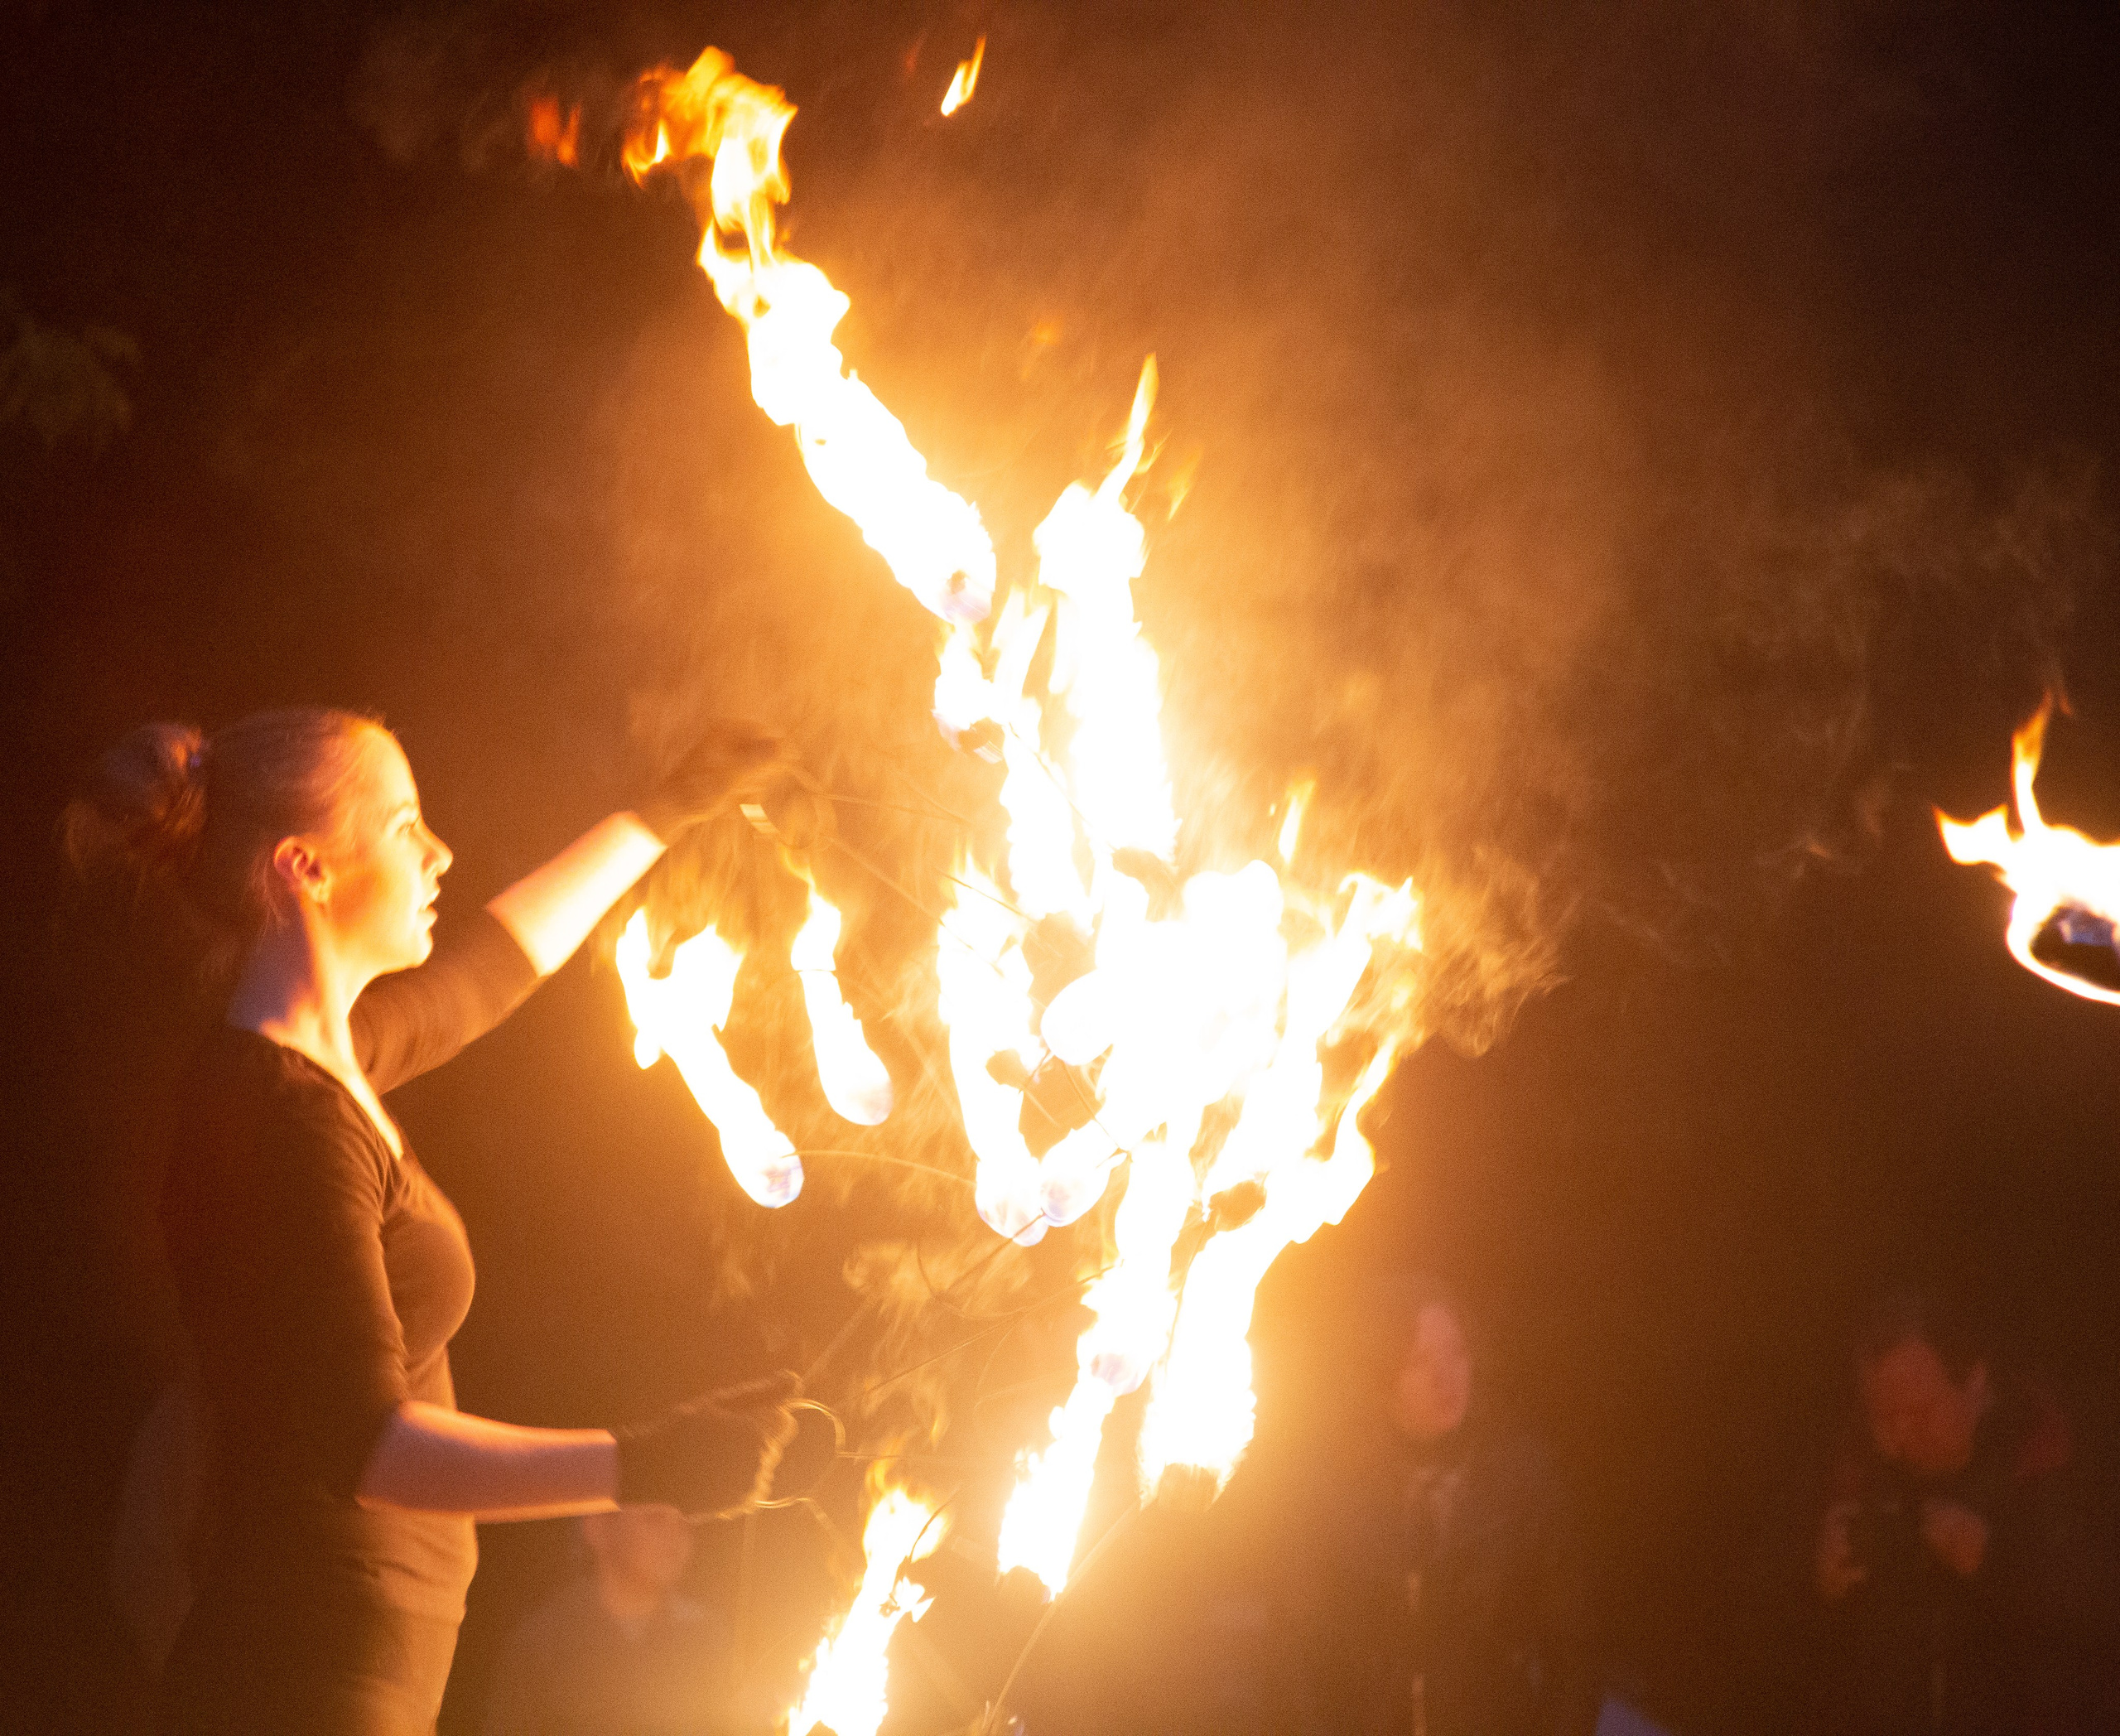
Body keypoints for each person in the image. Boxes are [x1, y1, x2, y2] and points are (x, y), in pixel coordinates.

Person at [65, 707, 805, 1736]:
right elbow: (372, 1444)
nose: (440, 850)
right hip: (307, 1670)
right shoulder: (280, 1124)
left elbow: (490, 967)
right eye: (405, 824)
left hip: (353, 1656)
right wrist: (644, 1461)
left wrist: (663, 810)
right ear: (304, 868)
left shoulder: (333, 1069)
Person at [1804, 1286, 2120, 1734]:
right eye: (1882, 1417)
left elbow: (2101, 1615)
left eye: (1920, 1413)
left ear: (1975, 1382)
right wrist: (1819, 1588)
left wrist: (1994, 1564)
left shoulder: (2063, 1458)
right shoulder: (1857, 1477)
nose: (1896, 1442)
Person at [1296, 1280, 1598, 1736]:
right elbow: (1299, 1655)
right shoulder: (1339, 1491)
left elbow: (1575, 1648)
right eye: (1421, 1361)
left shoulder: (1518, 1480)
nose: (1446, 1376)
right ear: (1386, 1375)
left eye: (1457, 1353)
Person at [480, 1507, 746, 1736]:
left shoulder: (705, 1637)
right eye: (654, 1519)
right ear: (598, 1527)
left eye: (684, 1522)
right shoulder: (544, 1644)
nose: (675, 1537)